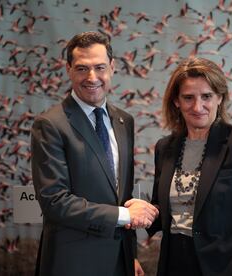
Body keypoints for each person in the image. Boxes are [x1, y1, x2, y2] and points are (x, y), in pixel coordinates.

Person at [31, 31, 159, 276]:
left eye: (100, 67)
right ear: (68, 69)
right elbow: (54, 202)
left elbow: (121, 194)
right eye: (81, 69)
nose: (92, 77)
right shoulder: (50, 124)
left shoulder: (125, 121)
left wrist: (129, 257)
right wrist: (124, 215)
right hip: (74, 264)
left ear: (112, 67)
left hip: (119, 261)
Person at [147, 57, 232, 275]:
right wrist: (136, 211)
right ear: (176, 101)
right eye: (188, 97)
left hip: (226, 266)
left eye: (206, 96)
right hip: (174, 264)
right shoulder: (164, 148)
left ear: (220, 98)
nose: (198, 106)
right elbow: (161, 211)